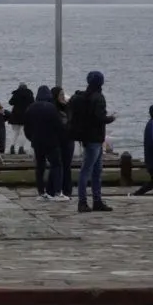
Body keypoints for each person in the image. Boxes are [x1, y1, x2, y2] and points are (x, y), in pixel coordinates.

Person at [69, 70, 116, 213]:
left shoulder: (84, 96)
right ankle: (86, 202)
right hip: (95, 138)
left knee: (92, 170)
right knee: (90, 171)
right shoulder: (98, 97)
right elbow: (99, 117)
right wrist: (111, 118)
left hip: (86, 137)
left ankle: (94, 201)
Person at [24, 86, 67, 200]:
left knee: (40, 167)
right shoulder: (51, 108)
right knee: (56, 165)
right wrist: (60, 139)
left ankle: (41, 193)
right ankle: (58, 192)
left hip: (37, 142)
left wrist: (32, 139)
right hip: (52, 142)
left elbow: (26, 128)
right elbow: (59, 126)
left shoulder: (30, 108)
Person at [50, 86, 75, 199]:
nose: (63, 97)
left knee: (67, 166)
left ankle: (67, 190)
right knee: (57, 165)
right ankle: (54, 190)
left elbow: (71, 120)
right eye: (60, 95)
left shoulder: (67, 107)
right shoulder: (52, 108)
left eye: (63, 95)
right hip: (57, 140)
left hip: (68, 139)